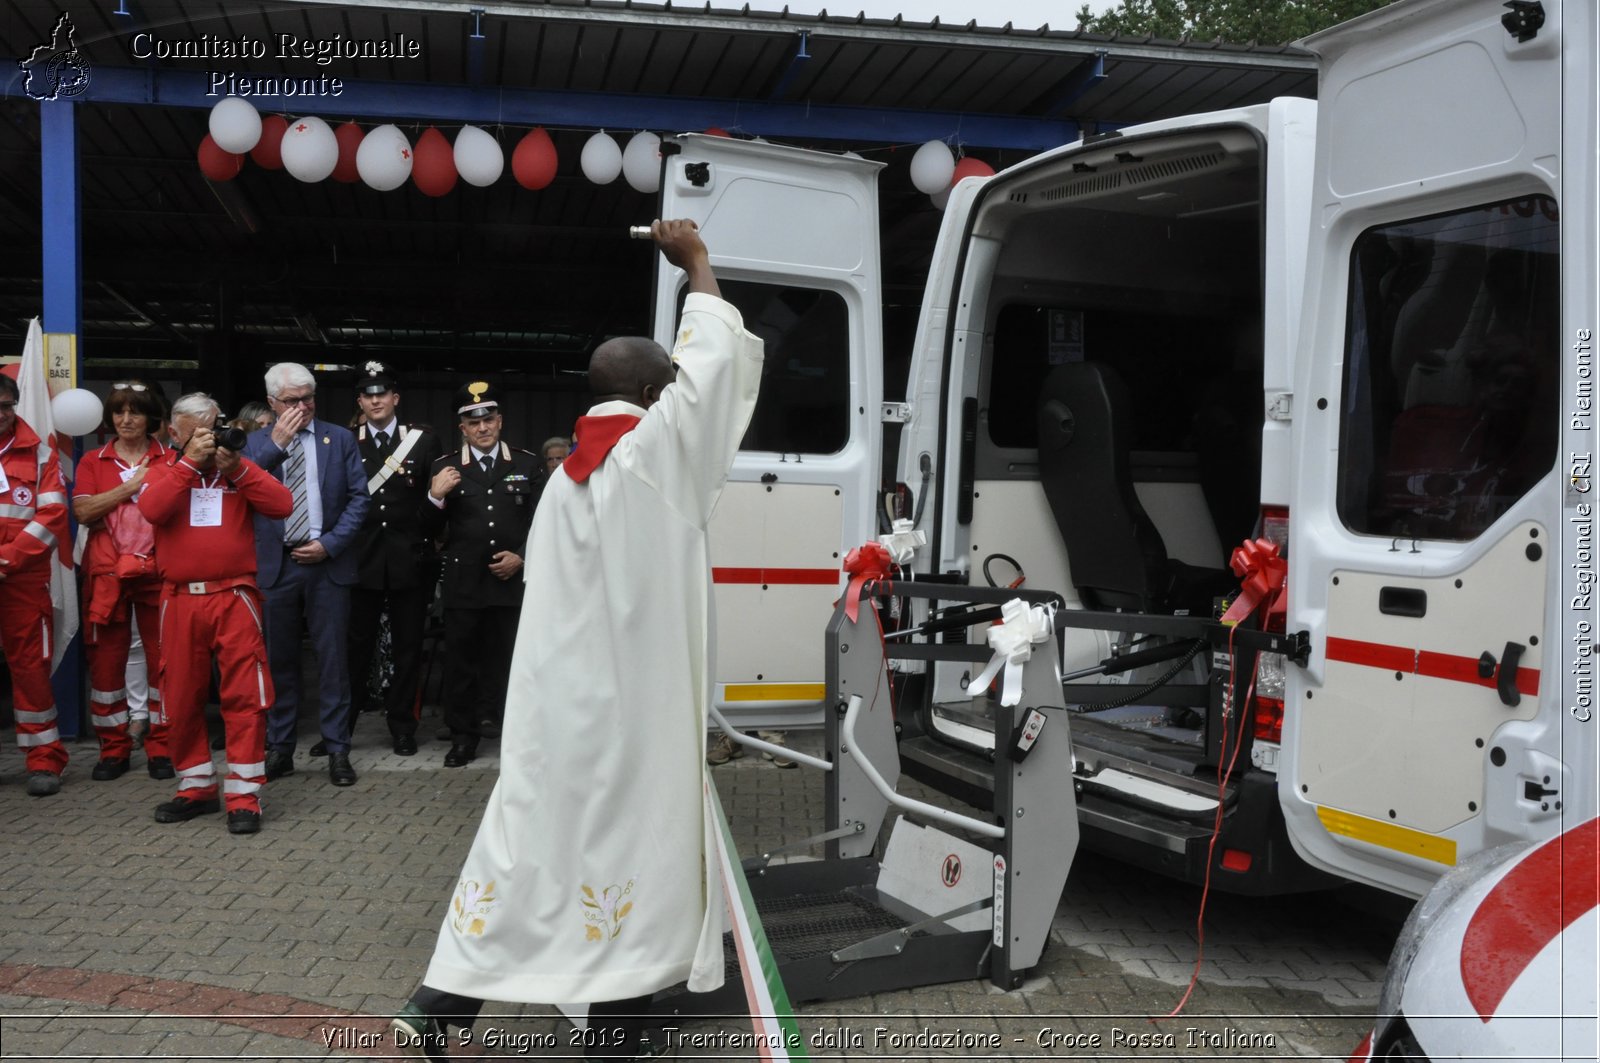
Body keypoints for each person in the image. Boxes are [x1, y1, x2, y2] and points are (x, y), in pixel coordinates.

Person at [393, 219, 763, 1060]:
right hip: (634, 706)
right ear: (655, 391)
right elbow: (710, 366)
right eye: (668, 385)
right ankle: (617, 1034)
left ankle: (436, 1005)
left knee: (530, 841)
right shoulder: (656, 456)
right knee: (637, 849)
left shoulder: (562, 477)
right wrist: (698, 261)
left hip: (557, 703)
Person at [137, 392, 293, 834]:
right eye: (198, 430)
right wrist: (188, 465)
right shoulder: (163, 470)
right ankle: (197, 786)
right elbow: (152, 509)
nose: (209, 436)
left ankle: (244, 794)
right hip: (180, 598)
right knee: (181, 693)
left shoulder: (237, 471)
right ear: (175, 433)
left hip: (234, 595)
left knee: (245, 696)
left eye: (214, 426)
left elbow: (282, 505)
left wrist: (237, 469)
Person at [242, 364, 370, 786]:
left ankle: (337, 750)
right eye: (292, 401)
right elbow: (242, 491)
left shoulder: (341, 438)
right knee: (279, 663)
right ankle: (280, 749)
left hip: (326, 566)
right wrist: (274, 445)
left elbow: (358, 501)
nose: (302, 407)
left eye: (308, 398)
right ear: (273, 403)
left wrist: (329, 544)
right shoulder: (253, 443)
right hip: (276, 567)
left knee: (333, 663)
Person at [423, 381, 541, 766]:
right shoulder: (444, 466)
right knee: (461, 662)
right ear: (462, 428)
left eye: (489, 419)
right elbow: (424, 530)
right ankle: (463, 736)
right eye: (474, 423)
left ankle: (512, 734)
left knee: (510, 660)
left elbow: (546, 521)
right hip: (464, 583)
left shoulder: (526, 463)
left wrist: (523, 556)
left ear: (500, 420)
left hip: (512, 581)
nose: (483, 428)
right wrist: (434, 497)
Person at [71, 379, 173, 781]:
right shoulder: (93, 461)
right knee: (106, 667)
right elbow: (83, 512)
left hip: (157, 572)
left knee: (163, 664)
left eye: (135, 411)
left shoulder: (171, 458)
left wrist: (112, 499)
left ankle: (161, 746)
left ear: (151, 417)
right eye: (119, 411)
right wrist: (131, 487)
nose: (126, 419)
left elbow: (175, 512)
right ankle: (113, 749)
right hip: (107, 574)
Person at [345, 361, 443, 757]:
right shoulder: (346, 440)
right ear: (360, 402)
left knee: (407, 647)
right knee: (355, 648)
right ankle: (342, 727)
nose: (375, 400)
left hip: (409, 559)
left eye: (382, 393)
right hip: (362, 559)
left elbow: (432, 501)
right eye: (368, 395)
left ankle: (402, 725)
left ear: (395, 398)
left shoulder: (422, 439)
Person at [0, 374, 71, 797]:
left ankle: (45, 759)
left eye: (8, 406)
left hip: (23, 580)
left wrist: (8, 557)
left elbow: (53, 516)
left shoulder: (42, 451)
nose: (2, 415)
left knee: (30, 670)